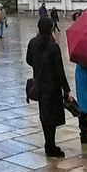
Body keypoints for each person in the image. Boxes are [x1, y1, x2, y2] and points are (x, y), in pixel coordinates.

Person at [26, 17, 72, 157]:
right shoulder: (53, 47)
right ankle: (50, 145)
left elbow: (29, 60)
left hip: (40, 86)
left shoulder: (33, 42)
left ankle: (49, 143)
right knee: (52, 117)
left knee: (45, 116)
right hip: (52, 87)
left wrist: (38, 66)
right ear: (51, 28)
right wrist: (66, 89)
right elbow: (59, 70)